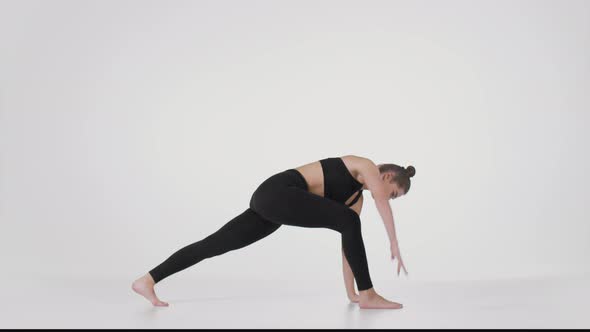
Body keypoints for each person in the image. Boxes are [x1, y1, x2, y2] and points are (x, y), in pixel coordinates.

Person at [132, 155, 414, 309]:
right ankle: (370, 294)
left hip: (274, 207)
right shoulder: (363, 164)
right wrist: (393, 241)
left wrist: (350, 292)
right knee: (350, 223)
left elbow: (348, 247)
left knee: (213, 245)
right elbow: (378, 201)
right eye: (393, 194)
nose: (388, 200)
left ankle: (148, 280)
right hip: (279, 191)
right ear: (386, 177)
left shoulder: (355, 201)